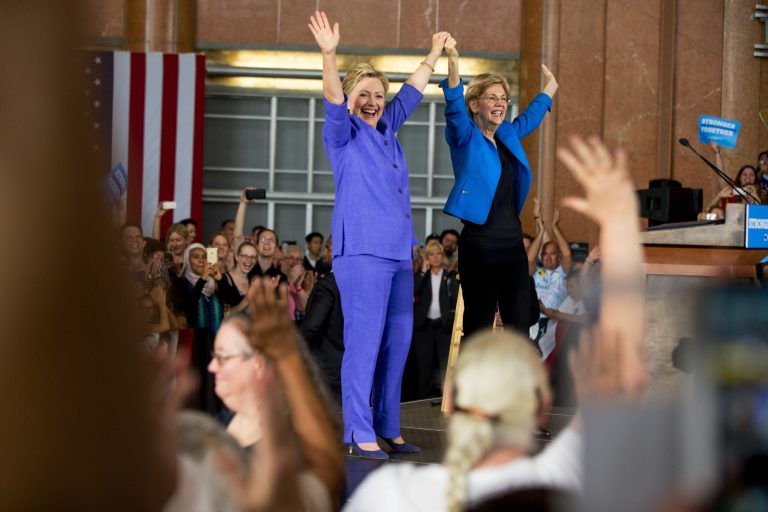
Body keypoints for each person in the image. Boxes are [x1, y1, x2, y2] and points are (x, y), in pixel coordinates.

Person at [344, 135, 648, 512]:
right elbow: (620, 366)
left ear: (453, 399)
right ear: (541, 409)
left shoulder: (391, 494)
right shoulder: (560, 484)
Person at [309, 10, 450, 458]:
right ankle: (357, 431)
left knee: (398, 343)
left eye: (377, 95)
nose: (372, 101)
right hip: (362, 253)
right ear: (350, 98)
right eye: (363, 94)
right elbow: (332, 98)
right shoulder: (342, 135)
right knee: (364, 344)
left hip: (397, 254)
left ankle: (389, 427)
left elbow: (410, 93)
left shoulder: (388, 129)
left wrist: (432, 53)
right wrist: (329, 56)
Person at [440, 36, 558, 339]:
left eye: (503, 98)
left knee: (519, 325)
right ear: (475, 104)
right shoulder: (464, 136)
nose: (500, 103)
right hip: (479, 245)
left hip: (511, 245)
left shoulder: (507, 134)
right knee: (478, 328)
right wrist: (453, 60)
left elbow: (529, 119)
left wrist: (549, 90)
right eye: (492, 97)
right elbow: (453, 105)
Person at [208, 278, 345, 510]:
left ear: (258, 362)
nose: (212, 367)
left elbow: (325, 482)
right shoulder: (218, 426)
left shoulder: (293, 443)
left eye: (223, 357)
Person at [171, 243, 224, 413]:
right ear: (187, 260)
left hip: (215, 340)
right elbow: (186, 306)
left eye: (204, 257)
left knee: (214, 384)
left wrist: (219, 279)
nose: (201, 260)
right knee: (198, 384)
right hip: (194, 343)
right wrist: (201, 280)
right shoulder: (180, 283)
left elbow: (232, 299)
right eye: (195, 256)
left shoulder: (214, 283)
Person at [405, 240, 459, 400]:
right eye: (431, 254)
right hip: (424, 325)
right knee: (424, 366)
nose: (435, 257)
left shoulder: (449, 276)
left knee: (446, 366)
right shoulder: (422, 275)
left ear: (442, 256)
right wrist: (422, 271)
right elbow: (412, 291)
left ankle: (447, 400)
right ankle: (422, 399)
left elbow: (455, 300)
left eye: (438, 254)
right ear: (427, 257)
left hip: (443, 325)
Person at [217, 241, 258, 316]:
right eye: (245, 256)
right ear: (237, 257)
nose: (249, 260)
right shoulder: (223, 280)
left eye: (253, 257)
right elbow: (222, 314)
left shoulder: (254, 280)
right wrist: (246, 300)